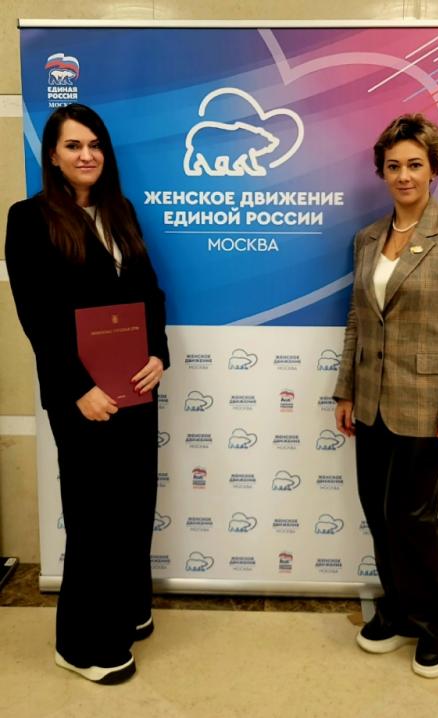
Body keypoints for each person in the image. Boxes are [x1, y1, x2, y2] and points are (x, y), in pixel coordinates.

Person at [5, 103, 169, 684]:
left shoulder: (120, 211)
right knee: (94, 514)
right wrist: (78, 388)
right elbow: (37, 315)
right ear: (52, 155)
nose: (87, 154)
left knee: (133, 504)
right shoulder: (29, 217)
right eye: (73, 145)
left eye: (95, 144)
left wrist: (158, 354)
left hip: (135, 386)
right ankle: (80, 644)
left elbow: (150, 293)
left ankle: (125, 609)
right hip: (82, 397)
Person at [334, 114, 438, 678]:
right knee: (379, 513)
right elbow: (358, 320)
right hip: (371, 402)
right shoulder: (367, 239)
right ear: (382, 171)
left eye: (415, 165)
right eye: (394, 165)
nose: (404, 175)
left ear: (433, 170)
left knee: (412, 518)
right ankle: (400, 611)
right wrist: (345, 391)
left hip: (429, 407)